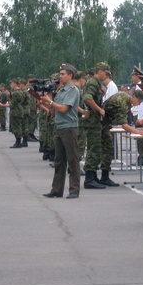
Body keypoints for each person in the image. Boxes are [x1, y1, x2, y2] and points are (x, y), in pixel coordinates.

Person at [41, 64, 81, 198]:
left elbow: (64, 109)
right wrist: (47, 100)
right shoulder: (61, 91)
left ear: (70, 75)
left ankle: (74, 190)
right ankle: (56, 190)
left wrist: (51, 103)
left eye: (63, 74)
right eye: (60, 74)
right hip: (59, 127)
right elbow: (53, 111)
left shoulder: (72, 90)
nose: (60, 76)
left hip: (69, 127)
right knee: (59, 161)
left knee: (72, 160)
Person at [81, 62, 109, 189]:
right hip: (92, 122)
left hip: (94, 122)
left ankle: (93, 176)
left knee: (95, 149)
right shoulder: (93, 83)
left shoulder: (96, 84)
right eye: (106, 73)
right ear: (100, 71)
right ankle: (89, 178)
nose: (106, 75)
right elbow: (87, 98)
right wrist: (99, 109)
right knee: (94, 149)